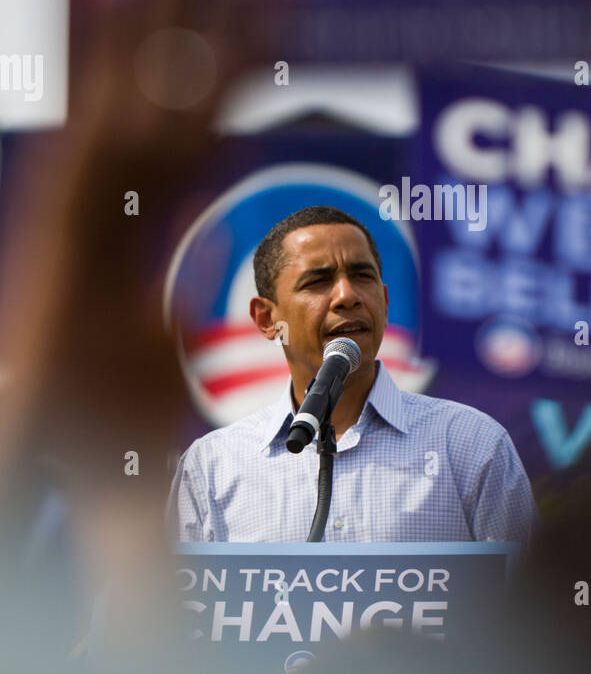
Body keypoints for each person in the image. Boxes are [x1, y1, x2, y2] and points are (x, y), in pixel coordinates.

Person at [169, 205, 539, 545]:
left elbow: (531, 609)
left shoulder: (471, 445)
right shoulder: (213, 466)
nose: (347, 296)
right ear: (267, 319)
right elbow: (175, 612)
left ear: (385, 300)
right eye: (317, 282)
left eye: (363, 277)